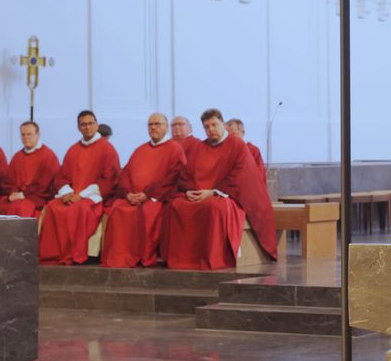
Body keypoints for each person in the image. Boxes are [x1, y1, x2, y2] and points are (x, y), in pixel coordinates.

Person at [162, 109, 277, 270]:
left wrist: (213, 192)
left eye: (214, 125)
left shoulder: (237, 146)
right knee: (176, 206)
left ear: (223, 124)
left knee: (215, 208)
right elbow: (186, 173)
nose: (211, 129)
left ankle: (212, 259)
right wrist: (188, 190)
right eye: (207, 127)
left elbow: (239, 175)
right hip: (201, 194)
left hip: (228, 196)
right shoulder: (199, 147)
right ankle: (184, 260)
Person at [102, 113, 187, 268]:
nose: (153, 127)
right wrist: (128, 193)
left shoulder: (175, 150)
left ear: (166, 127)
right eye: (150, 124)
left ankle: (142, 256)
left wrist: (148, 195)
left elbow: (173, 177)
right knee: (118, 208)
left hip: (156, 198)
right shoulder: (140, 150)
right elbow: (126, 173)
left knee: (148, 212)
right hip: (133, 196)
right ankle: (119, 257)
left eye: (157, 124)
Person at [40, 110, 121, 266]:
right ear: (78, 128)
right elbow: (62, 176)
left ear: (97, 125)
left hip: (93, 197)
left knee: (79, 210)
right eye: (83, 124)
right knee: (53, 207)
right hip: (73, 195)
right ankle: (54, 254)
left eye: (91, 123)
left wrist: (82, 195)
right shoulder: (73, 149)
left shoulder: (107, 149)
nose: (88, 127)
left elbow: (108, 179)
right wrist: (66, 192)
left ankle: (73, 253)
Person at [0, 121, 61, 218]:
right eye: (23, 134)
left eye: (29, 134)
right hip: (18, 197)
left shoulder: (48, 156)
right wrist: (13, 193)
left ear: (38, 135)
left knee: (19, 208)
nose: (26, 137)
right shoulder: (17, 156)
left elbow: (46, 185)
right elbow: (8, 181)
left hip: (36, 198)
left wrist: (23, 195)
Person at [226, 118, 267, 183]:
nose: (230, 138)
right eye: (227, 135)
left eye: (234, 134)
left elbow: (260, 175)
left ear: (243, 133)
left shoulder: (253, 150)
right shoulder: (224, 152)